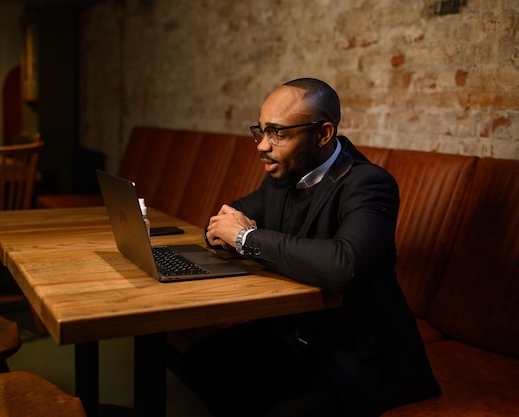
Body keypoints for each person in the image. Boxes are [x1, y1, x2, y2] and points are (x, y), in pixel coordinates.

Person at [181, 78, 440, 417]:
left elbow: (342, 265)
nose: (261, 145)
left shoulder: (369, 184)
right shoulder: (283, 174)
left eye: (278, 133)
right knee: (200, 360)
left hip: (354, 357)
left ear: (323, 134)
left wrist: (245, 239)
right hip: (291, 335)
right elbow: (229, 216)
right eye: (260, 131)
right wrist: (222, 233)